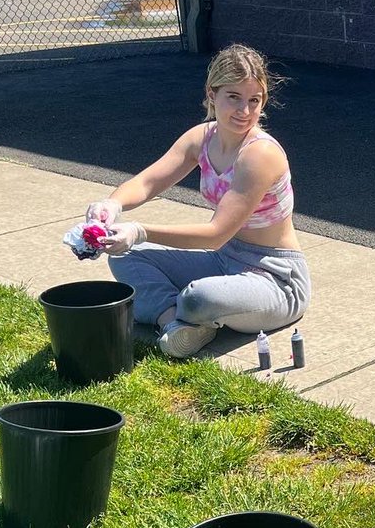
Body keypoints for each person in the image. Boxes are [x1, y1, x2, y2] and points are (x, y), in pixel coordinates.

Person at [86, 43, 309, 359]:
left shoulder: (260, 154)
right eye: (234, 97)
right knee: (124, 255)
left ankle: (182, 311)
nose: (245, 111)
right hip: (224, 259)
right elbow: (148, 182)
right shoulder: (202, 138)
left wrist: (139, 231)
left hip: (276, 278)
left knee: (198, 297)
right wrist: (112, 205)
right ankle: (175, 325)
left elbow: (216, 234)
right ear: (212, 94)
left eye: (254, 100)